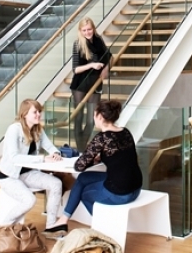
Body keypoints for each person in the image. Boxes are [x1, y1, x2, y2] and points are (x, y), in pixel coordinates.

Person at [46, 100, 143, 235]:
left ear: (100, 116)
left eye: (94, 114)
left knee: (85, 194)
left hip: (120, 193)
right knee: (84, 178)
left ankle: (106, 230)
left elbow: (79, 166)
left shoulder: (102, 138)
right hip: (135, 188)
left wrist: (92, 158)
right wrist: (98, 157)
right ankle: (63, 220)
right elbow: (119, 157)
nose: (93, 117)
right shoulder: (125, 132)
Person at [0, 99, 64, 236]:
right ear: (24, 114)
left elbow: (49, 146)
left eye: (39, 112)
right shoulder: (14, 130)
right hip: (9, 177)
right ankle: (2, 227)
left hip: (27, 174)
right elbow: (14, 158)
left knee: (56, 183)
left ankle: (50, 227)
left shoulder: (38, 129)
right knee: (29, 200)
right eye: (35, 112)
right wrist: (43, 158)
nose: (38, 114)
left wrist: (55, 153)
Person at [70, 17, 112, 152]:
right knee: (79, 118)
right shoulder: (78, 44)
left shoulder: (98, 41)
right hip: (80, 84)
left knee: (91, 120)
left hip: (95, 83)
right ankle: (81, 151)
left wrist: (106, 69)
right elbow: (75, 69)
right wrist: (91, 65)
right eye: (84, 30)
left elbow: (109, 57)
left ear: (93, 29)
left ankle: (82, 149)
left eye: (89, 29)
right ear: (80, 31)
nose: (87, 32)